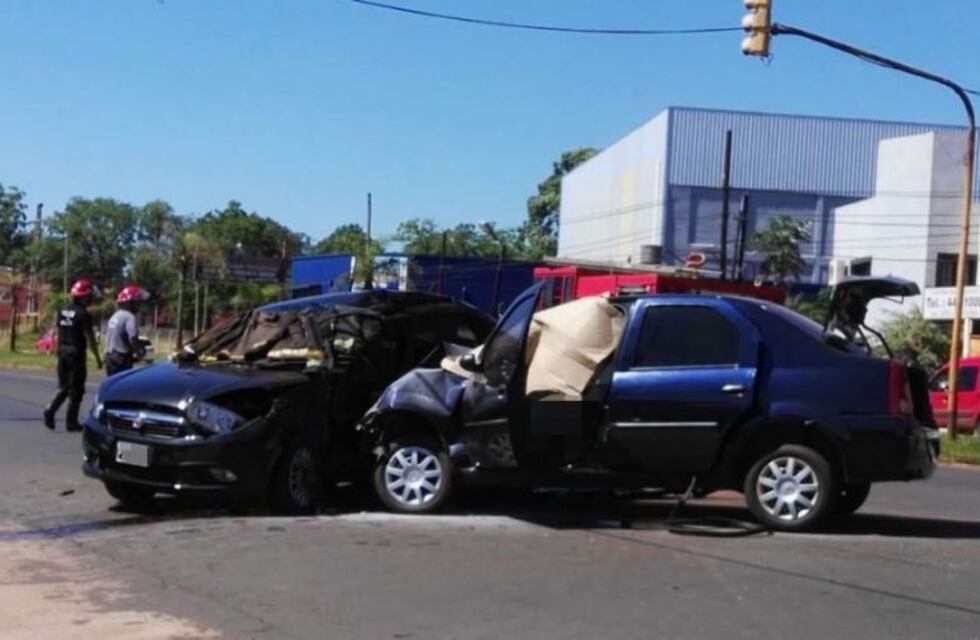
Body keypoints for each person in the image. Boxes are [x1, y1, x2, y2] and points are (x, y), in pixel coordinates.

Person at [44, 279, 103, 432]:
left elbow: (58, 333)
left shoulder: (62, 311)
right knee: (76, 390)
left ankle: (51, 409)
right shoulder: (84, 314)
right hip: (76, 354)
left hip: (62, 352)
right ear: (84, 297)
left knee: (63, 387)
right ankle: (71, 422)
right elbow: (90, 338)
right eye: (89, 297)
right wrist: (97, 357)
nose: (90, 300)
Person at [105, 285, 147, 376]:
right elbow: (132, 338)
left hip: (110, 356)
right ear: (131, 302)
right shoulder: (130, 317)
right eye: (137, 302)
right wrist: (139, 352)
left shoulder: (116, 315)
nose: (139, 305)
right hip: (121, 358)